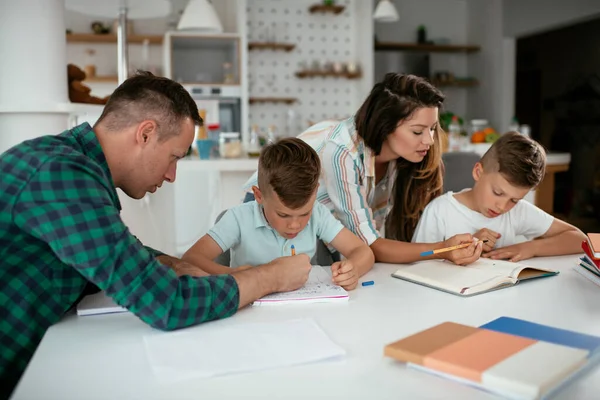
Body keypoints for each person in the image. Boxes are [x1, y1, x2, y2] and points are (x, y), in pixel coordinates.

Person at [0, 72, 311, 397]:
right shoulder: (62, 176)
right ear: (146, 133)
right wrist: (270, 277)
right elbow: (166, 303)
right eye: (174, 157)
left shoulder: (67, 163)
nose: (172, 175)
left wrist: (168, 262)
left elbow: (107, 249)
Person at [243, 73, 482, 265]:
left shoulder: (401, 156)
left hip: (318, 225)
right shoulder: (342, 151)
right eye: (418, 131)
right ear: (385, 126)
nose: (429, 141)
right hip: (274, 211)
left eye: (432, 129)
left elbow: (373, 239)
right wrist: (443, 249)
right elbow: (370, 246)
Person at [183, 138, 375, 290]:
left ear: (315, 192)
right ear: (258, 195)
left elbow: (363, 251)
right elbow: (191, 260)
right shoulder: (238, 219)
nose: (295, 225)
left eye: (303, 213)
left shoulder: (318, 213)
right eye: (283, 215)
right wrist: (233, 274)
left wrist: (353, 270)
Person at [412, 131, 586, 262]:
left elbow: (580, 239)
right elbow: (420, 255)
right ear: (478, 172)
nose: (502, 207)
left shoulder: (517, 212)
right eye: (498, 193)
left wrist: (531, 247)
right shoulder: (440, 210)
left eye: (514, 200)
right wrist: (452, 251)